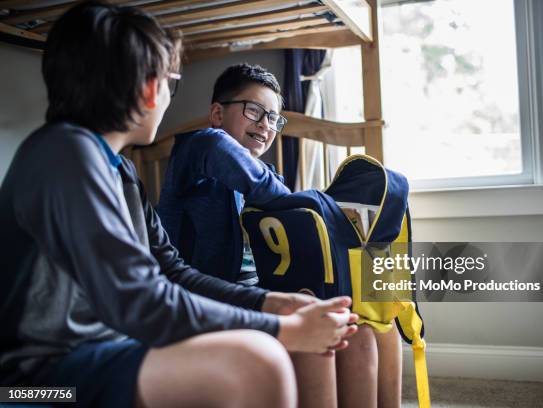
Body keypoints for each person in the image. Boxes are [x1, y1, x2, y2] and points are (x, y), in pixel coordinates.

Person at [0, 2, 358, 408]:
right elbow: (143, 300)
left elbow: (171, 270)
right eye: (172, 81)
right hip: (37, 381)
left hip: (99, 354)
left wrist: (269, 302)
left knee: (278, 347)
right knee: (257, 362)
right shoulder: (66, 154)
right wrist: (281, 328)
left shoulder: (118, 170)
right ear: (152, 87)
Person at [157, 63, 402, 408]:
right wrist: (321, 208)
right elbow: (268, 190)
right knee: (315, 337)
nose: (265, 125)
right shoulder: (199, 148)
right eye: (254, 110)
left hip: (260, 294)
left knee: (363, 328)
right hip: (206, 300)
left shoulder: (267, 177)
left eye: (273, 118)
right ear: (216, 113)